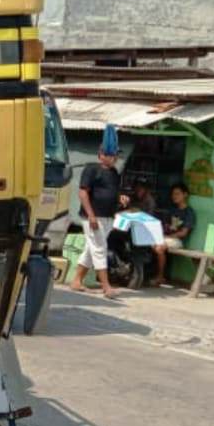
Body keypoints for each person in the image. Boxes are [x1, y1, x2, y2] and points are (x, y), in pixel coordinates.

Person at [70, 124, 125, 298]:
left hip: (108, 217)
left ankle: (77, 280)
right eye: (108, 154)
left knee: (91, 249)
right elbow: (83, 193)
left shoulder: (115, 173)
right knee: (100, 249)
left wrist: (120, 199)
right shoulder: (92, 169)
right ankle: (106, 287)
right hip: (93, 217)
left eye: (114, 155)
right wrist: (91, 216)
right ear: (100, 155)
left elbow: (112, 193)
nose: (112, 158)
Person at [151, 183, 196, 286]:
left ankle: (160, 277)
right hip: (167, 238)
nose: (174, 196)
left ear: (185, 195)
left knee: (159, 248)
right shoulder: (172, 210)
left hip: (178, 241)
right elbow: (165, 226)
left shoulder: (189, 212)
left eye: (177, 194)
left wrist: (168, 237)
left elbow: (183, 233)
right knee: (152, 244)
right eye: (173, 194)